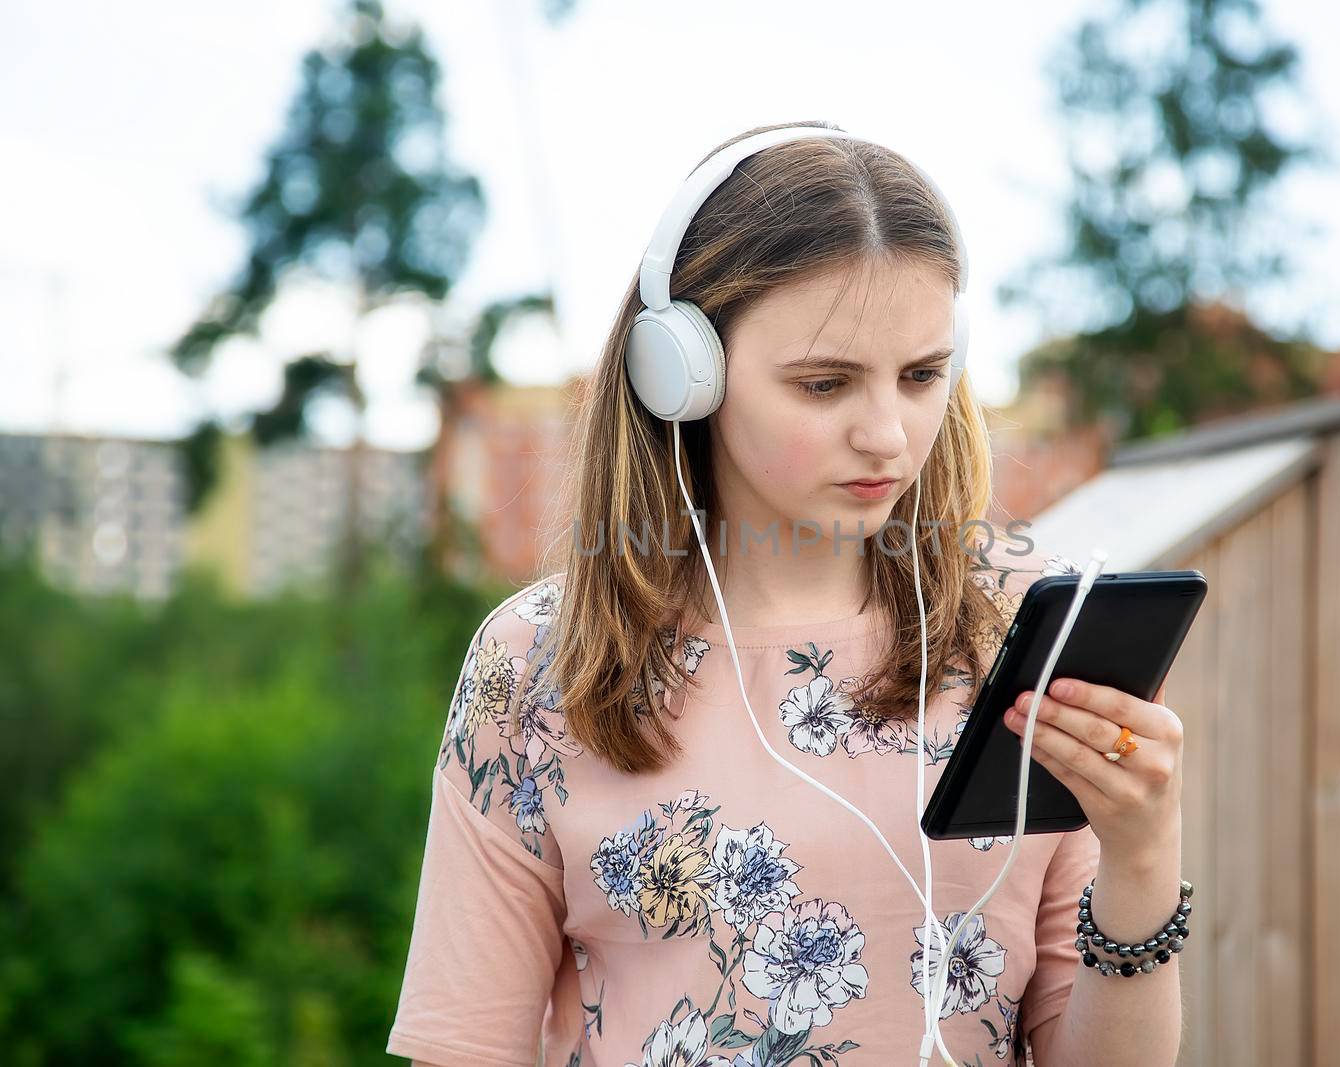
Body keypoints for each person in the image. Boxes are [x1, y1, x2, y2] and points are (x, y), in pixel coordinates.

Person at [387, 120, 1186, 1067]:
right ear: (684, 372)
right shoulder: (537, 662)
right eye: (824, 384)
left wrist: (1142, 857)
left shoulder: (1018, 634)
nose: (888, 434)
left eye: (923, 374)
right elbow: (466, 1047)